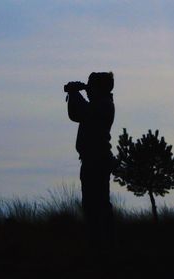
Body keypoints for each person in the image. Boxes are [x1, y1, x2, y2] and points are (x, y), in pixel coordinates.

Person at [65, 72, 115, 249]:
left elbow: (81, 112)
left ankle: (101, 244)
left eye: (90, 86)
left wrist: (74, 92)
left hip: (97, 160)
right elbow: (77, 113)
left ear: (99, 88)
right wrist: (74, 93)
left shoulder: (103, 105)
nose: (88, 90)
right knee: (93, 203)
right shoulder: (101, 104)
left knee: (96, 205)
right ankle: (101, 242)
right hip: (93, 159)